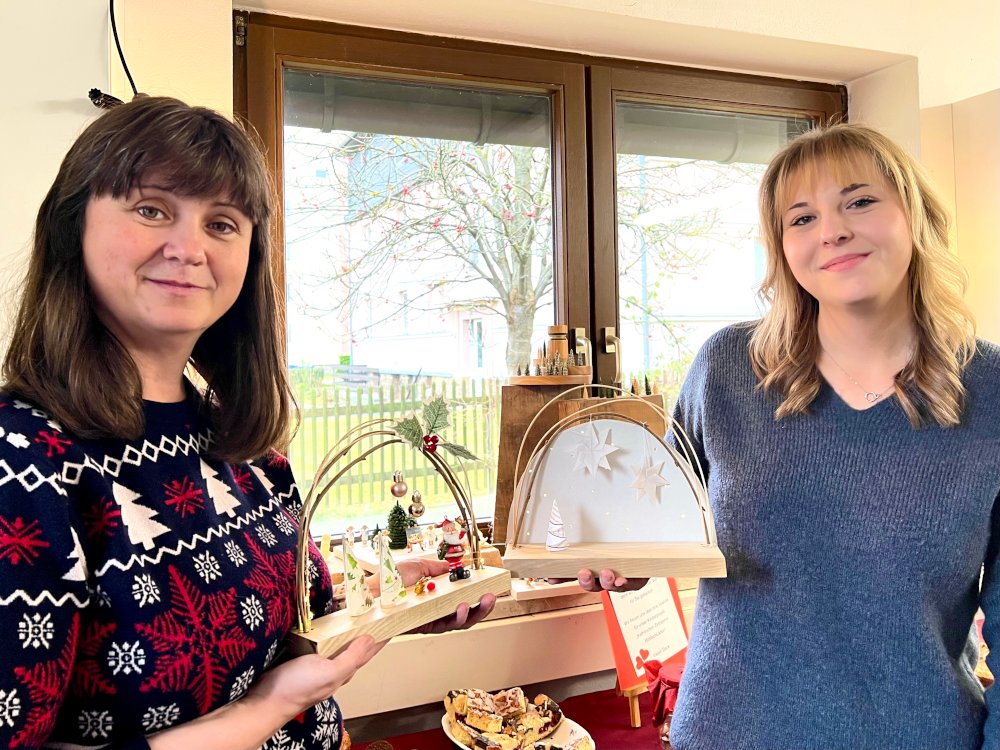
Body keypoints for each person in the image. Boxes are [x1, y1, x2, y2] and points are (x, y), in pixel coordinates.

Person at [0, 96, 495, 750]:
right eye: (152, 210)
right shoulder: (22, 458)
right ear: (73, 227)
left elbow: (294, 620)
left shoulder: (250, 449)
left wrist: (403, 599)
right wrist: (266, 709)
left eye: (222, 223)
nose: (190, 248)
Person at [577, 123, 999, 749]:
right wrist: (620, 561)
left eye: (860, 201)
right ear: (782, 249)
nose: (832, 231)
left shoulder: (992, 391)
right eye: (802, 218)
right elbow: (652, 527)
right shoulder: (725, 370)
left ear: (915, 217)